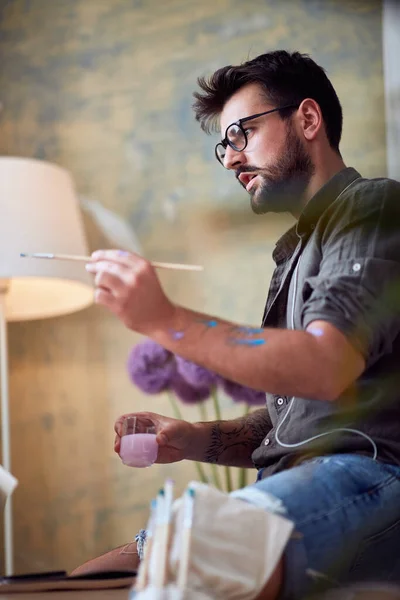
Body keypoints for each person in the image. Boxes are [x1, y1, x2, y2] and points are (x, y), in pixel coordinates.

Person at [73, 51, 400, 598]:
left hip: (372, 473)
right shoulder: (295, 251)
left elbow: (325, 366)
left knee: (194, 551)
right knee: (88, 580)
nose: (230, 160)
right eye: (224, 144)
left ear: (308, 119)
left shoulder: (372, 208)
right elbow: (298, 417)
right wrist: (195, 438)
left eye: (241, 133)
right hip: (303, 479)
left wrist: (167, 320)